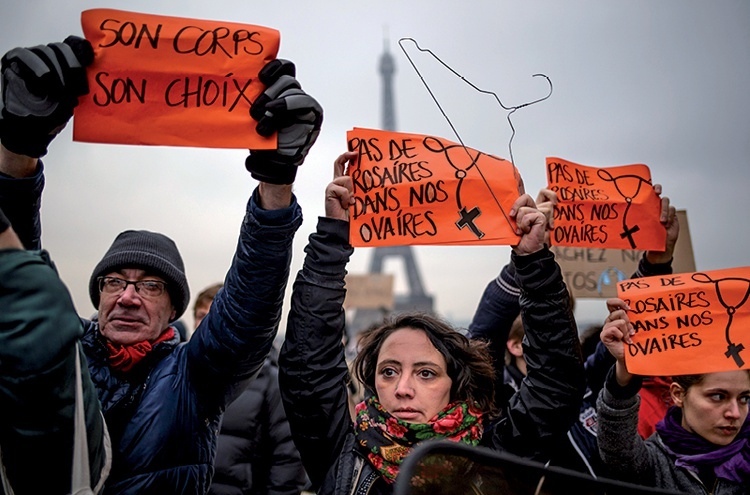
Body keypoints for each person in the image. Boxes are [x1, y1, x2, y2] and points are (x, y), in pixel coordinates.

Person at [0, 35, 321, 494]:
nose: (128, 296)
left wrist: (276, 186)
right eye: (115, 282)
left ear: (173, 310)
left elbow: (247, 310)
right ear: (98, 296)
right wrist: (18, 150)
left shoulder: (193, 377)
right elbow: (16, 285)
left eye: (150, 286)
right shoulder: (64, 355)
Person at [278, 151, 586, 494]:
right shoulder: (343, 456)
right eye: (388, 371)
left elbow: (555, 387)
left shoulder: (496, 455)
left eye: (426, 373)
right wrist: (334, 236)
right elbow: (307, 366)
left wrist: (534, 263)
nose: (403, 388)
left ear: (456, 383)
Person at [468, 184, 680, 478]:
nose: (553, 329)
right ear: (514, 344)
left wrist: (656, 262)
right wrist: (528, 255)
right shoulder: (493, 400)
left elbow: (626, 336)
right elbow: (484, 333)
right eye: (540, 323)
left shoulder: (583, 384)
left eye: (557, 321)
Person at [597, 298, 750, 492]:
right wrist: (625, 368)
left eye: (744, 398)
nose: (735, 413)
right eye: (718, 397)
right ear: (678, 394)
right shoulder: (652, 466)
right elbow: (617, 448)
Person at [195, 283, 309, 495]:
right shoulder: (178, 374)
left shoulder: (273, 383)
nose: (207, 324)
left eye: (217, 316)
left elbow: (287, 462)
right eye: (202, 315)